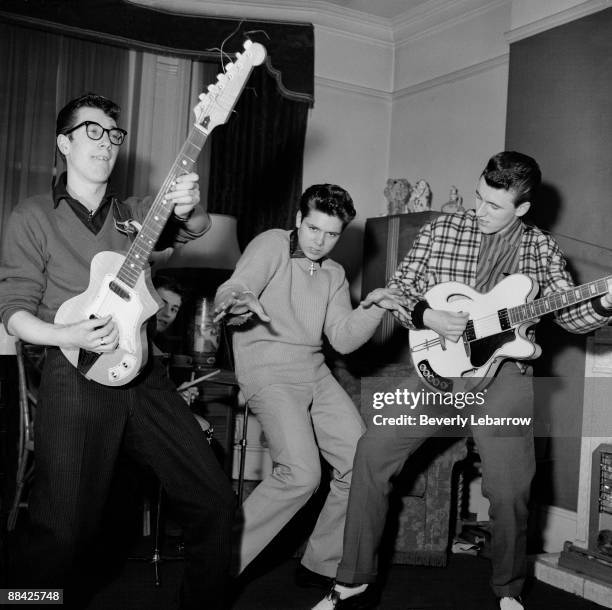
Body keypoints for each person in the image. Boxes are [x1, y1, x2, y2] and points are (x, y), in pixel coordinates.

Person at [313, 152, 612, 610]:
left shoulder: (541, 250)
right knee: (372, 452)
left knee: (510, 490)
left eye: (494, 205)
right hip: (439, 370)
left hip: (505, 376)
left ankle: (509, 591)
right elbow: (400, 288)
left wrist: (604, 303)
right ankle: (352, 578)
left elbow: (571, 318)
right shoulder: (443, 229)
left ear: (523, 208)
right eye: (479, 197)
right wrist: (426, 313)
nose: (480, 210)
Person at [0, 93, 234, 609]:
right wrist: (69, 335)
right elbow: (13, 310)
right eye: (92, 131)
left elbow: (192, 229)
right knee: (60, 534)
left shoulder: (133, 215)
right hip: (74, 368)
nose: (105, 143)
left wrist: (190, 207)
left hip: (143, 377)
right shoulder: (33, 215)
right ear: (64, 142)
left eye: (113, 134)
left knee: (217, 504)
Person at [213, 184, 408, 587]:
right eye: (313, 229)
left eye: (332, 234)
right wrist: (237, 298)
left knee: (360, 461)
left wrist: (372, 308)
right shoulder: (272, 244)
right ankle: (218, 565)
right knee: (302, 474)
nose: (320, 242)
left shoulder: (334, 273)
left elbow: (342, 339)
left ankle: (321, 563)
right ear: (299, 220)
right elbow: (239, 283)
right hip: (268, 370)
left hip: (315, 373)